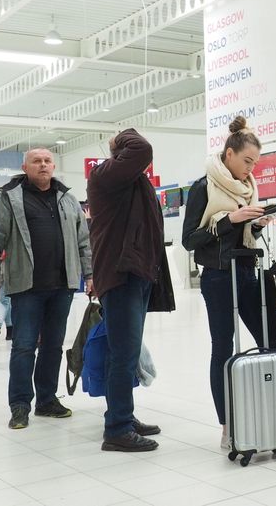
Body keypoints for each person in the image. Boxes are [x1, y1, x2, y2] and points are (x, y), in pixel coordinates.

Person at [182, 115, 276, 449]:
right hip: (218, 277)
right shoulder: (203, 187)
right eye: (247, 161)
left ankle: (269, 412)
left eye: (255, 162)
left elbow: (244, 235)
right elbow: (189, 240)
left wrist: (257, 223)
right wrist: (229, 221)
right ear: (229, 155)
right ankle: (227, 424)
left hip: (246, 271)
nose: (251, 169)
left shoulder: (249, 188)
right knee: (222, 347)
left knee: (271, 341)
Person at [0, 147, 92, 430]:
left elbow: (83, 242)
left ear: (54, 166)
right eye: (36, 161)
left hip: (62, 286)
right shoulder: (9, 199)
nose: (42, 165)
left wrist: (89, 274)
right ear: (25, 166)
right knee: (24, 347)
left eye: (47, 161)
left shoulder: (67, 199)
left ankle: (46, 400)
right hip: (26, 286)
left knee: (53, 346)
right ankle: (19, 405)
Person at [88, 128, 173, 452]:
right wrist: (120, 136)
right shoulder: (104, 175)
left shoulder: (128, 181)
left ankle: (122, 415)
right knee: (123, 355)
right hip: (121, 275)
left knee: (122, 352)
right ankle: (118, 429)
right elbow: (143, 147)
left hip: (134, 274)